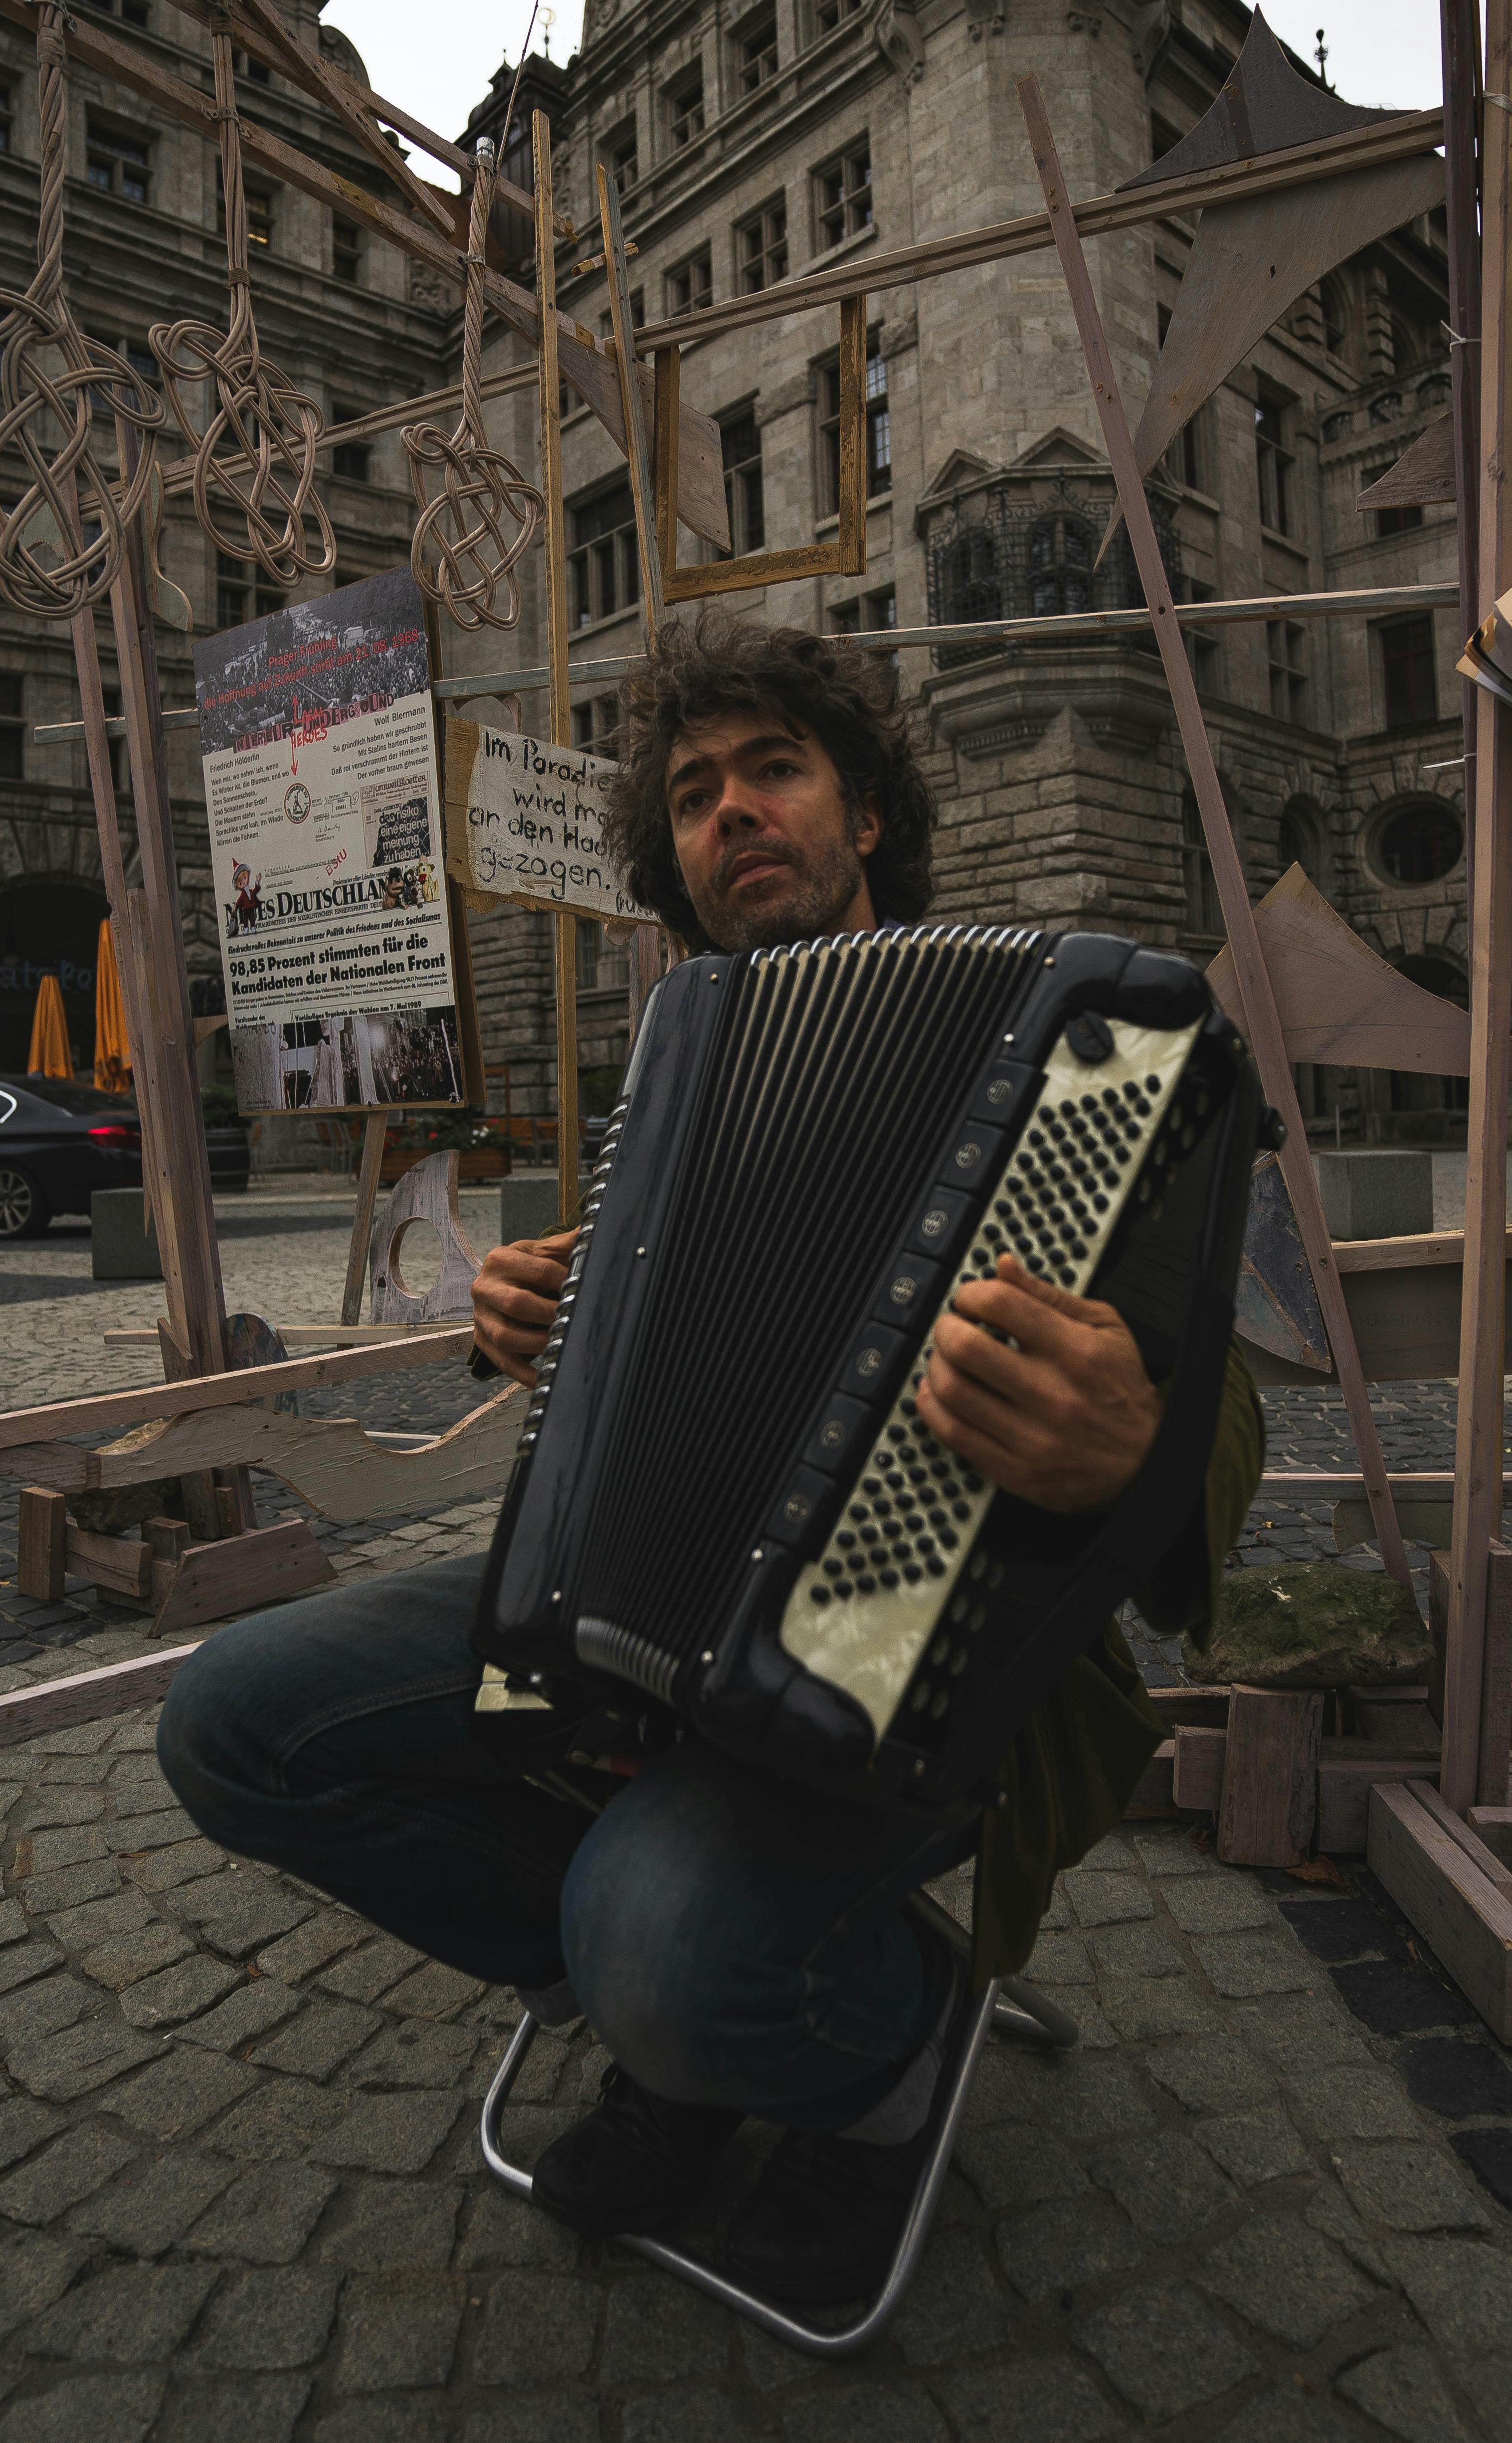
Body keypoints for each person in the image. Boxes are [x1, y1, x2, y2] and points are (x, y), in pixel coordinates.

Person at [157, 615, 1264, 2306]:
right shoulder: (685, 1060)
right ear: (670, 855)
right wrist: (537, 1316)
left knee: (658, 1935)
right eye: (691, 794)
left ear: (864, 811)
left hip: (932, 1646)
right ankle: (686, 2007)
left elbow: (1223, 1386)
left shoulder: (1080, 1047)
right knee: (232, 1724)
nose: (731, 809)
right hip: (638, 1621)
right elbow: (642, 1334)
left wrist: (1130, 1435)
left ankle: (870, 2058)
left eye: (773, 769)